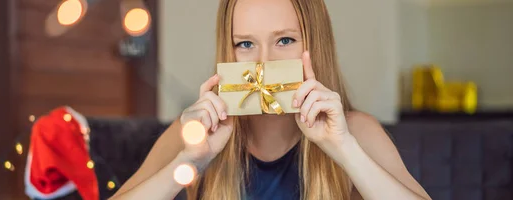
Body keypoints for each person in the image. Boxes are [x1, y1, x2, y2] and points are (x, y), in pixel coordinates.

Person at [111, 0, 431, 199]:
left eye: (285, 40)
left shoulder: (356, 131)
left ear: (314, 46)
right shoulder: (194, 133)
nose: (264, 62)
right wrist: (189, 161)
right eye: (246, 45)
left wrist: (345, 151)